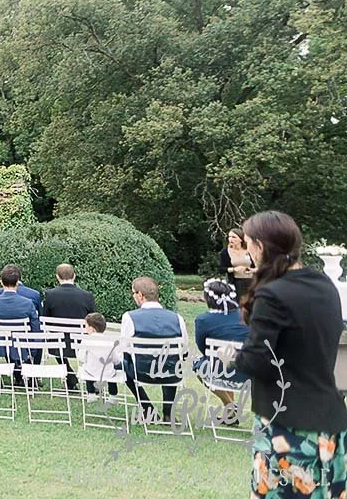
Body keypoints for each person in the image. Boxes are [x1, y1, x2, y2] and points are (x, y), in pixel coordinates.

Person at [231, 211, 347, 498]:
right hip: (332, 422)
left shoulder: (272, 294)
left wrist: (233, 357)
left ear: (260, 246)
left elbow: (258, 360)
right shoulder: (325, 286)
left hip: (287, 426)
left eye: (248, 245)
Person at [120, 276, 187, 424]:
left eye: (133, 293)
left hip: (141, 373)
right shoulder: (177, 318)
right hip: (171, 374)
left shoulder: (129, 317)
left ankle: (147, 409)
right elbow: (184, 350)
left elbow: (125, 349)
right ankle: (168, 413)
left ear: (140, 295)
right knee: (172, 361)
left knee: (122, 364)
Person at [191, 279, 248, 409]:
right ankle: (230, 412)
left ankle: (230, 405)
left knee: (199, 365)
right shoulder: (246, 315)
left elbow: (203, 348)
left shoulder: (203, 320)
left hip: (219, 372)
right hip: (249, 374)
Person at [43, 263, 98, 389]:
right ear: (74, 276)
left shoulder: (50, 295)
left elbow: (46, 320)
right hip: (81, 342)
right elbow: (94, 320)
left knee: (56, 342)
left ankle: (70, 377)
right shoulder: (87, 296)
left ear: (57, 277)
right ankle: (84, 379)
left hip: (57, 343)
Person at [0, 265, 41, 380]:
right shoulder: (27, 303)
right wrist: (33, 349)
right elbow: (36, 328)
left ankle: (17, 372)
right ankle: (25, 372)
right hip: (23, 345)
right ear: (17, 283)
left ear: (1, 282)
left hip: (0, 346)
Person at [76, 312, 121, 398]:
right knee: (112, 372)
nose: (85, 328)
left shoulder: (86, 340)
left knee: (87, 369)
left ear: (92, 329)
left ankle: (91, 394)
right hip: (108, 373)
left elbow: (81, 358)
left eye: (86, 326)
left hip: (91, 372)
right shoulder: (110, 341)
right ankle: (113, 395)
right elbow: (116, 360)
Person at [219, 227, 256, 302]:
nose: (231, 239)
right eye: (229, 237)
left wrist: (252, 270)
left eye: (234, 237)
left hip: (251, 281)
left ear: (241, 239)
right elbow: (221, 269)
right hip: (236, 282)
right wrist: (234, 269)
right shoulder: (225, 252)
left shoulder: (249, 250)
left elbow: (259, 266)